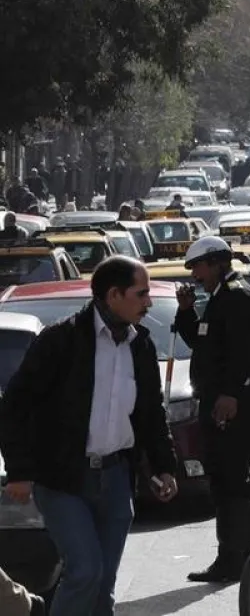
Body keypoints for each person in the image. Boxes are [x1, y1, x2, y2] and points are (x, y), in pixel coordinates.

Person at [0, 256, 180, 616]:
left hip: (115, 480)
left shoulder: (140, 345)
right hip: (64, 480)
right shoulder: (60, 342)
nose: (148, 302)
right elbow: (15, 406)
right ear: (114, 295)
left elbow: (150, 414)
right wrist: (19, 470)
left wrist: (163, 466)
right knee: (85, 572)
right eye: (141, 293)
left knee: (103, 586)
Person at [174, 236, 250, 583]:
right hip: (217, 401)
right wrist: (185, 312)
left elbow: (247, 354)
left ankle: (236, 555)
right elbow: (203, 343)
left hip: (232, 404)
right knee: (226, 477)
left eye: (197, 267)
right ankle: (236, 553)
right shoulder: (217, 299)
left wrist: (230, 395)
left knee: (233, 479)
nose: (195, 275)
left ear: (215, 263)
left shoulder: (237, 297)